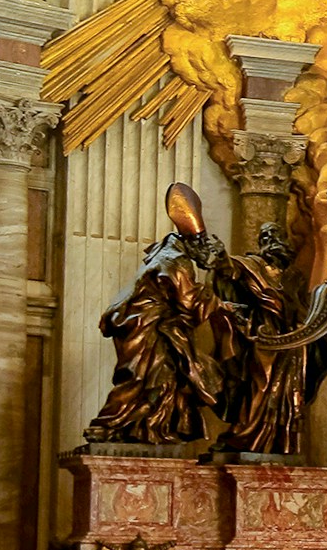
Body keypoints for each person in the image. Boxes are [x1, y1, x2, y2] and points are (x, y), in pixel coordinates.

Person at [84, 184, 225, 445]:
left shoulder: (165, 252)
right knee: (142, 378)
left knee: (161, 379)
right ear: (194, 244)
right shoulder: (177, 262)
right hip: (145, 328)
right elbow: (189, 303)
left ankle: (151, 430)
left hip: (141, 325)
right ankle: (110, 424)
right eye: (205, 252)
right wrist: (222, 305)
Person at [203, 223, 327, 454]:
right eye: (266, 235)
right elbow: (230, 270)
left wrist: (324, 319)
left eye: (276, 234)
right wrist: (221, 256)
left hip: (293, 341)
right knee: (260, 384)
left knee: (288, 395)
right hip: (264, 337)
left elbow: (303, 306)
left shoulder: (293, 276)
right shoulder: (254, 265)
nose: (272, 239)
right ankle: (247, 433)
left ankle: (278, 440)